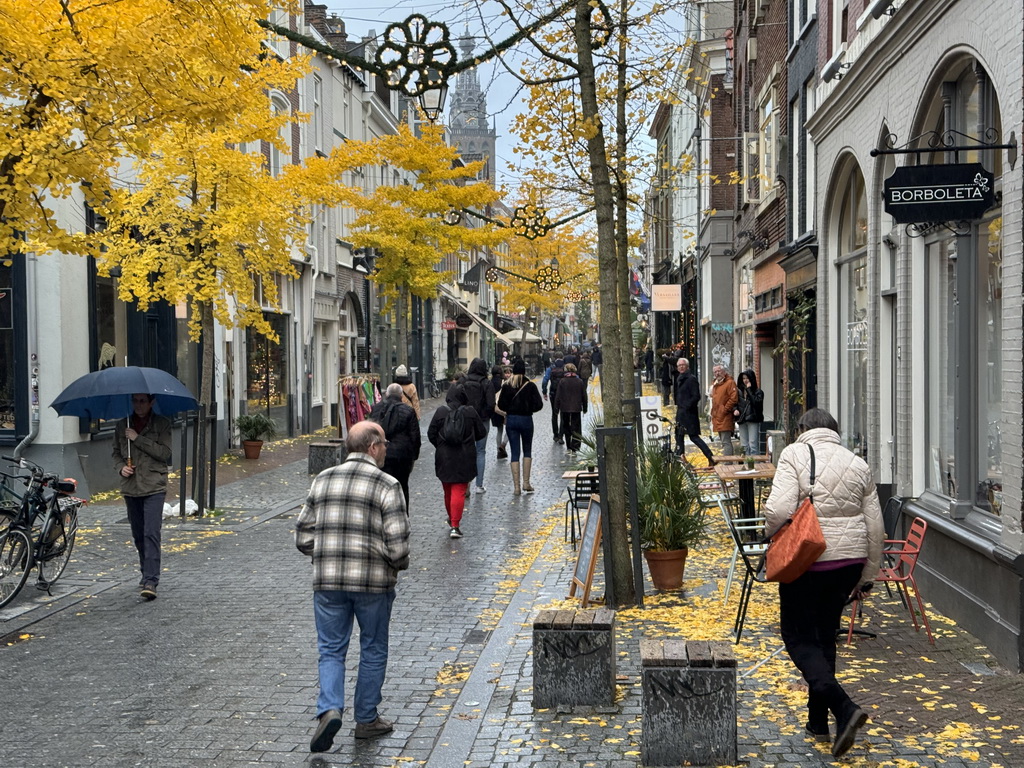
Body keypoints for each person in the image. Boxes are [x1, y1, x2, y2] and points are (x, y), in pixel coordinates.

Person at [763, 408, 883, 758]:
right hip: (849, 562)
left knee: (797, 636)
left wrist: (769, 536)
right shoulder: (857, 463)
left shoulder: (795, 454)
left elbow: (778, 510)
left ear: (802, 429)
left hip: (809, 559)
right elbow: (875, 526)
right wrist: (868, 575)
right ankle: (818, 721)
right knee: (824, 636)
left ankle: (843, 707)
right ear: (835, 431)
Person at [296, 420, 410, 752]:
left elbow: (303, 535)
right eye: (385, 444)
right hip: (373, 584)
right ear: (372, 447)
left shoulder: (323, 479)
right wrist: (393, 565)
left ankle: (330, 709)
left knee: (330, 649)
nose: (387, 449)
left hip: (328, 582)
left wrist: (327, 553)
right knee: (373, 648)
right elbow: (399, 548)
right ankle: (366, 719)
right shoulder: (388, 485)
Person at [112, 393, 173, 601]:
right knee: (138, 534)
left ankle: (151, 580)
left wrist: (138, 439)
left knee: (151, 533)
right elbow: (115, 453)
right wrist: (121, 468)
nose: (138, 405)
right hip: (131, 486)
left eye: (142, 401)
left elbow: (164, 453)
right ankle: (145, 572)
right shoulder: (122, 425)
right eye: (135, 401)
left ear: (151, 402)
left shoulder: (162, 424)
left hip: (154, 485)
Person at [427, 386, 486, 538]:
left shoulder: (440, 412)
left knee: (447, 490)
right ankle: (455, 525)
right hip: (464, 456)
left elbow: (431, 433)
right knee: (459, 490)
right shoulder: (470, 412)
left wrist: (440, 445)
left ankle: (452, 518)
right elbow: (481, 433)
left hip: (444, 457)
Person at [366, 383, 421, 508]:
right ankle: (402, 515)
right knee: (402, 487)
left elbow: (369, 431)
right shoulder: (408, 411)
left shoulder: (376, 409)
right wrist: (414, 456)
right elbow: (415, 436)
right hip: (401, 457)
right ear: (401, 396)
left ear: (387, 394)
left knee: (379, 487)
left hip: (379, 454)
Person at [496, 359, 544, 495]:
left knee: (514, 452)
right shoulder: (530, 386)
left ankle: (516, 487)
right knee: (527, 450)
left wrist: (510, 409)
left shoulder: (506, 385)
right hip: (526, 420)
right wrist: (528, 408)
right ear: (524, 371)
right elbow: (539, 405)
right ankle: (526, 483)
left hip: (511, 420)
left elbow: (500, 405)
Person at [459, 357, 495, 494]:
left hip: (465, 420)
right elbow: (491, 404)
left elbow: (456, 399)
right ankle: (479, 485)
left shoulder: (463, 381)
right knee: (480, 451)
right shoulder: (486, 383)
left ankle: (465, 485)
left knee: (466, 451)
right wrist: (485, 415)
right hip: (482, 421)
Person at [673, 358, 714, 463]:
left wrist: (687, 406)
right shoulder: (678, 378)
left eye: (683, 365)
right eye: (679, 365)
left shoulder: (691, 379)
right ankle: (680, 458)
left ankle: (710, 456)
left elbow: (696, 396)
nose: (681, 367)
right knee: (679, 435)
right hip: (681, 412)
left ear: (687, 366)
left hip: (689, 413)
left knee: (693, 436)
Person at [553, 362, 587, 454]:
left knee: (566, 426)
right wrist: (585, 407)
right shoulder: (579, 381)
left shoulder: (562, 381)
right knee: (576, 427)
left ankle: (568, 445)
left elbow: (558, 396)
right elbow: (584, 395)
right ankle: (575, 446)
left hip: (565, 408)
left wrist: (556, 408)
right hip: (576, 407)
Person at [710, 364, 738, 455]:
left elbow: (733, 398)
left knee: (726, 441)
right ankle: (727, 461)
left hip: (725, 416)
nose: (717, 373)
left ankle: (728, 463)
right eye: (715, 372)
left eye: (719, 371)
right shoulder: (715, 384)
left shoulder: (729, 383)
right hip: (717, 416)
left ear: (724, 372)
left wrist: (725, 410)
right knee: (723, 442)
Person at [735, 369, 765, 455]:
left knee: (753, 444)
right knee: (744, 445)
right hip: (742, 419)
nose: (745, 380)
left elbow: (756, 403)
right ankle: (746, 464)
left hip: (753, 419)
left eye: (747, 378)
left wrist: (749, 390)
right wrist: (735, 410)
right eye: (743, 378)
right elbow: (735, 403)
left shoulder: (758, 392)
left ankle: (755, 464)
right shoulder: (739, 391)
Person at [541, 357, 565, 444]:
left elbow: (545, 381)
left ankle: (555, 435)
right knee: (563, 414)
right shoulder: (565, 367)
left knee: (554, 414)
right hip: (563, 394)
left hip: (553, 393)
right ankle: (561, 435)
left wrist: (544, 391)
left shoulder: (550, 369)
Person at [490, 364, 510, 459]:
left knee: (499, 430)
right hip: (504, 408)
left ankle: (499, 450)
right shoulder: (504, 382)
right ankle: (503, 444)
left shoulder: (489, 382)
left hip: (495, 409)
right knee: (510, 428)